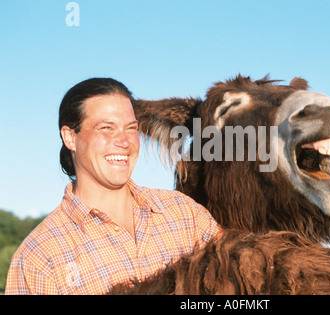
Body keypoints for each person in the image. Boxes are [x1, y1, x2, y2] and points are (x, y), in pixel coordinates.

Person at [5, 78, 223, 295]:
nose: (124, 141)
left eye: (131, 128)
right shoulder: (40, 258)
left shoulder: (187, 215)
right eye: (106, 128)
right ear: (70, 137)